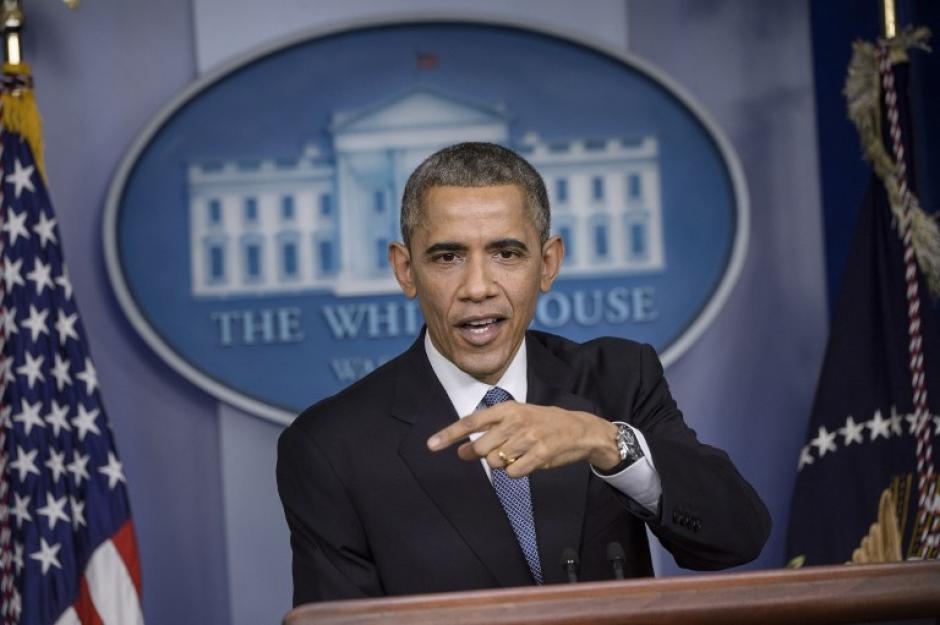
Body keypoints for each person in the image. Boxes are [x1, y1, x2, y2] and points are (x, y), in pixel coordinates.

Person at [276, 142, 770, 606]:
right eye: (448, 257)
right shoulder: (330, 447)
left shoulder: (617, 379)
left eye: (506, 254)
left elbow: (737, 536)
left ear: (548, 263)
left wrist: (607, 442)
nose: (478, 287)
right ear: (405, 270)